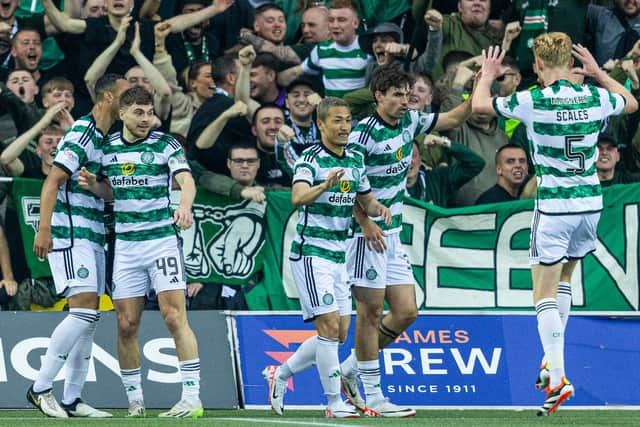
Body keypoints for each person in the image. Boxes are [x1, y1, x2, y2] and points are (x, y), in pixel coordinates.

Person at [472, 33, 637, 415]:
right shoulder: (596, 97)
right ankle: (551, 361)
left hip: (554, 207)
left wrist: (487, 74)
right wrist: (598, 73)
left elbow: (480, 105)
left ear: (539, 66)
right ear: (571, 61)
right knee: (564, 280)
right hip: (590, 204)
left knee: (541, 293)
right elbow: (630, 102)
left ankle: (559, 376)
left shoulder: (534, 100)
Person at [340, 64, 470, 417]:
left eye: (406, 93)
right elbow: (346, 184)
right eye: (396, 94)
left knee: (407, 311)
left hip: (392, 234)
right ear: (378, 96)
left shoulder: (411, 122)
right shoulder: (362, 135)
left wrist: (483, 83)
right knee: (368, 314)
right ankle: (373, 395)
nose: (404, 100)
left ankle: (350, 370)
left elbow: (455, 117)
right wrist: (364, 220)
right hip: (365, 235)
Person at [262, 96, 391, 418]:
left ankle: (282, 374)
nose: (344, 126)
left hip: (338, 253)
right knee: (330, 327)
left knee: (338, 332)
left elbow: (366, 200)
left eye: (348, 120)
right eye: (337, 120)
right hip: (310, 253)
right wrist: (324, 185)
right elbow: (297, 197)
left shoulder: (356, 159)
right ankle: (334, 402)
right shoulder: (310, 159)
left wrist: (378, 210)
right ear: (321, 124)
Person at [91, 86, 202, 418]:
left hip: (161, 242)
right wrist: (92, 185)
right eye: (138, 112)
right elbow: (108, 191)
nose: (146, 119)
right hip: (125, 247)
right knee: (126, 324)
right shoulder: (106, 149)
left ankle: (192, 398)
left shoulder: (164, 144)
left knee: (173, 316)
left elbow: (187, 180)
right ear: (122, 113)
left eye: (149, 112)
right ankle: (135, 401)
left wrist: (184, 206)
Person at [27, 73, 129, 418]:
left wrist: (97, 186)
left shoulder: (103, 137)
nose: (131, 103)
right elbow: (52, 181)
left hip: (93, 231)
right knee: (83, 311)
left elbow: (108, 192)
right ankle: (40, 388)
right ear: (108, 98)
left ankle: (72, 398)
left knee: (91, 316)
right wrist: (44, 229)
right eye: (126, 96)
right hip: (70, 232)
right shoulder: (83, 133)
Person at [278, 0, 372, 97]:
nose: (335, 25)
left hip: (360, 110)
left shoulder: (368, 47)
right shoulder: (321, 50)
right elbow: (294, 73)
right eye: (331, 20)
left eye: (341, 20)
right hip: (331, 111)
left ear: (355, 23)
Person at [407, 138, 485, 206]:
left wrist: (443, 142)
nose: (409, 161)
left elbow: (476, 164)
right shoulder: (394, 187)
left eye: (413, 156)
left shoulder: (438, 179)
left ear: (420, 159)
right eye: (403, 157)